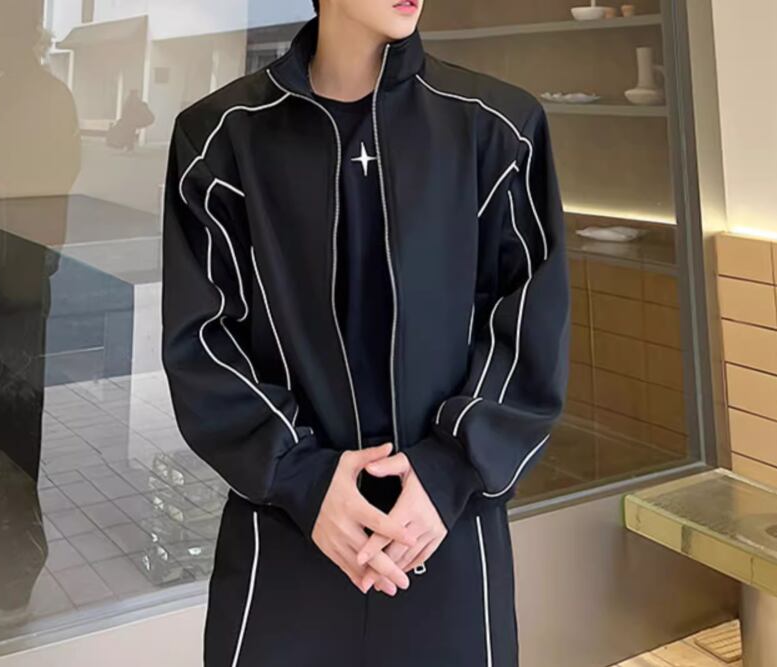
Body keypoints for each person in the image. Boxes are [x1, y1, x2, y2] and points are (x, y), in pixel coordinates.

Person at [161, 0, 569, 665]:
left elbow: (529, 327)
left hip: (442, 531)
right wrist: (300, 476)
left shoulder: (499, 127)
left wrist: (449, 468)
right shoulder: (221, 139)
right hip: (286, 534)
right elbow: (202, 340)